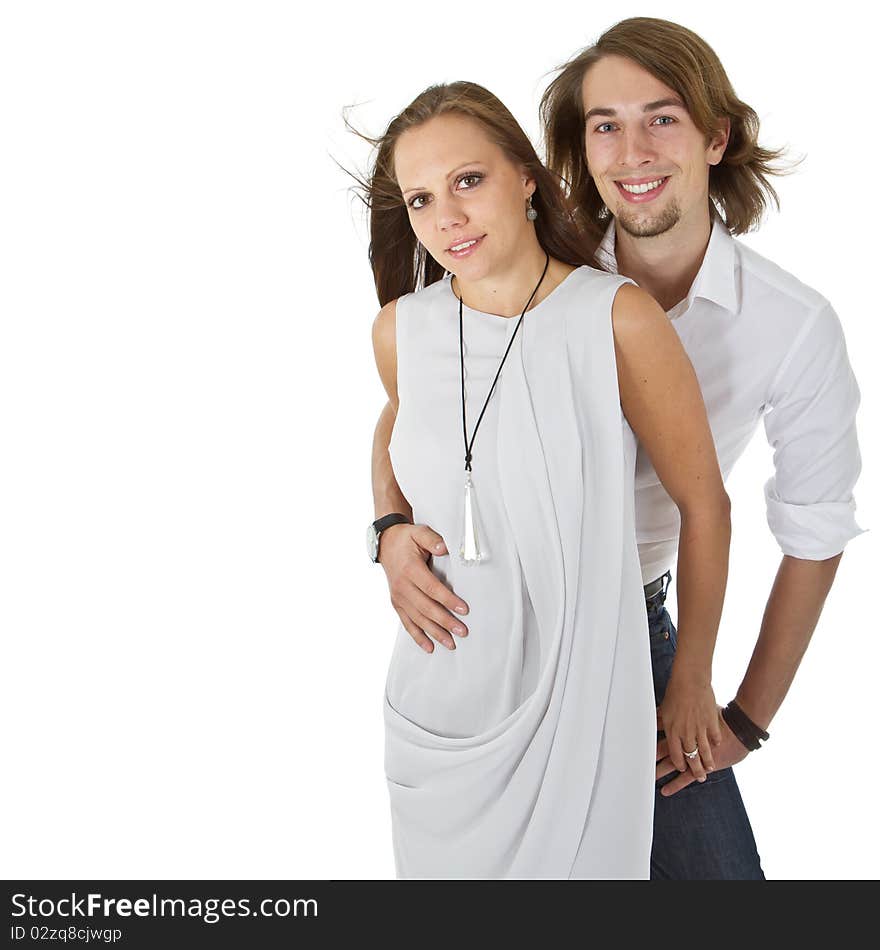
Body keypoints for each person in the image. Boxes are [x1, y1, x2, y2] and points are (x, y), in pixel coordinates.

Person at [369, 19, 866, 880]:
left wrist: (733, 712)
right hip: (469, 643)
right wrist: (387, 527)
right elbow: (409, 409)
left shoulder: (785, 325)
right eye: (605, 124)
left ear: (715, 137)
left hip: (628, 621)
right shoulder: (512, 262)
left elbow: (805, 531)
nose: (632, 151)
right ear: (572, 151)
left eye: (662, 119)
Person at [359, 80, 731, 879]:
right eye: (420, 199)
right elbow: (398, 423)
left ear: (525, 176)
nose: (446, 218)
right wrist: (387, 534)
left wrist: (693, 678)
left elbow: (706, 505)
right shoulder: (401, 327)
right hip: (441, 703)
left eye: (468, 180)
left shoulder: (615, 318)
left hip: (586, 692)